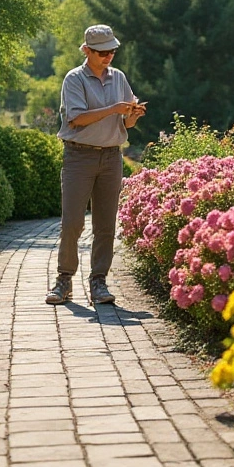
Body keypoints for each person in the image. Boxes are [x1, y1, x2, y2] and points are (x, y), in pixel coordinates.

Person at [47, 24, 146, 306]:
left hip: (111, 157)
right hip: (79, 156)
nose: (108, 56)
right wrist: (115, 108)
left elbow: (124, 122)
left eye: (112, 51)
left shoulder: (119, 78)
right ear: (87, 50)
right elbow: (76, 119)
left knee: (106, 224)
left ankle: (99, 282)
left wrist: (133, 115)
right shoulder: (74, 79)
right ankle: (64, 280)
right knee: (72, 223)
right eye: (102, 52)